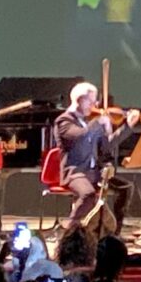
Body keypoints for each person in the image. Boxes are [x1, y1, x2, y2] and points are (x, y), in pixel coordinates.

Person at [53, 82, 132, 236]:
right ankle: (69, 232)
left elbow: (107, 145)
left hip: (94, 172)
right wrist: (97, 123)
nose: (95, 105)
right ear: (80, 100)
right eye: (91, 100)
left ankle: (114, 234)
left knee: (125, 188)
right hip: (75, 172)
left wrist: (127, 126)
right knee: (88, 193)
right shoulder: (64, 121)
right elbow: (81, 137)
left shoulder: (88, 122)